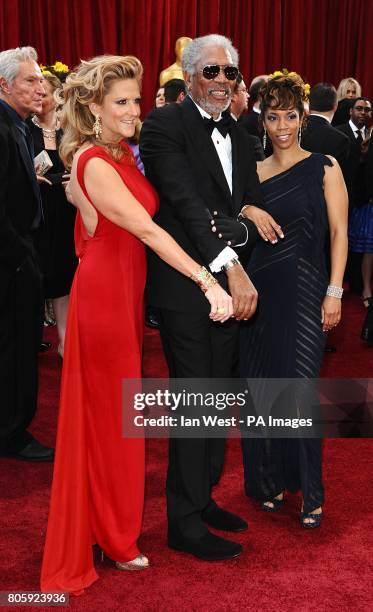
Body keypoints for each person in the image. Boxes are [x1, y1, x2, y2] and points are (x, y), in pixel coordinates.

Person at [40, 54, 234, 594]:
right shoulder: (97, 163)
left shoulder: (113, 154)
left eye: (134, 100)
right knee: (111, 424)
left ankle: (107, 529)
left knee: (109, 421)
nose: (132, 110)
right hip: (104, 299)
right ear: (94, 108)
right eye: (120, 102)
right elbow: (146, 232)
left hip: (121, 295)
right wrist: (207, 280)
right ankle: (115, 538)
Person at [140, 34, 262, 561]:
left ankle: (203, 497)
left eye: (230, 74)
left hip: (226, 282)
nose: (221, 82)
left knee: (219, 397)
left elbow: (246, 202)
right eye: (211, 72)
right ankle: (183, 524)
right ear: (189, 76)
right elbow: (188, 205)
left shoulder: (239, 128)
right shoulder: (165, 125)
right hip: (188, 286)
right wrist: (230, 264)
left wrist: (244, 229)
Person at [214, 70, 348, 527]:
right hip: (259, 294)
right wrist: (248, 206)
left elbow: (339, 232)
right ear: (262, 121)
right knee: (261, 390)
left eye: (291, 115)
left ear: (304, 116)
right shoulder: (250, 173)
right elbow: (230, 222)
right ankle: (266, 481)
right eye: (273, 117)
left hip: (307, 292)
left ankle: (311, 492)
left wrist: (334, 291)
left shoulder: (325, 166)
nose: (283, 126)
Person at [0, 46, 53, 462]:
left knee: (19, 343)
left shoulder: (17, 124)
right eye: (31, 81)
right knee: (13, 346)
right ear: (4, 85)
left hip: (19, 252)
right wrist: (20, 257)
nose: (42, 88)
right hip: (10, 258)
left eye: (41, 80)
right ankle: (11, 433)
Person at [29, 71, 78, 358]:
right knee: (37, 276)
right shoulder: (24, 129)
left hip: (66, 210)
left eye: (44, 92)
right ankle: (31, 338)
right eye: (36, 91)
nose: (40, 97)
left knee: (63, 276)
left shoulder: (69, 131)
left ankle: (64, 341)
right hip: (37, 210)